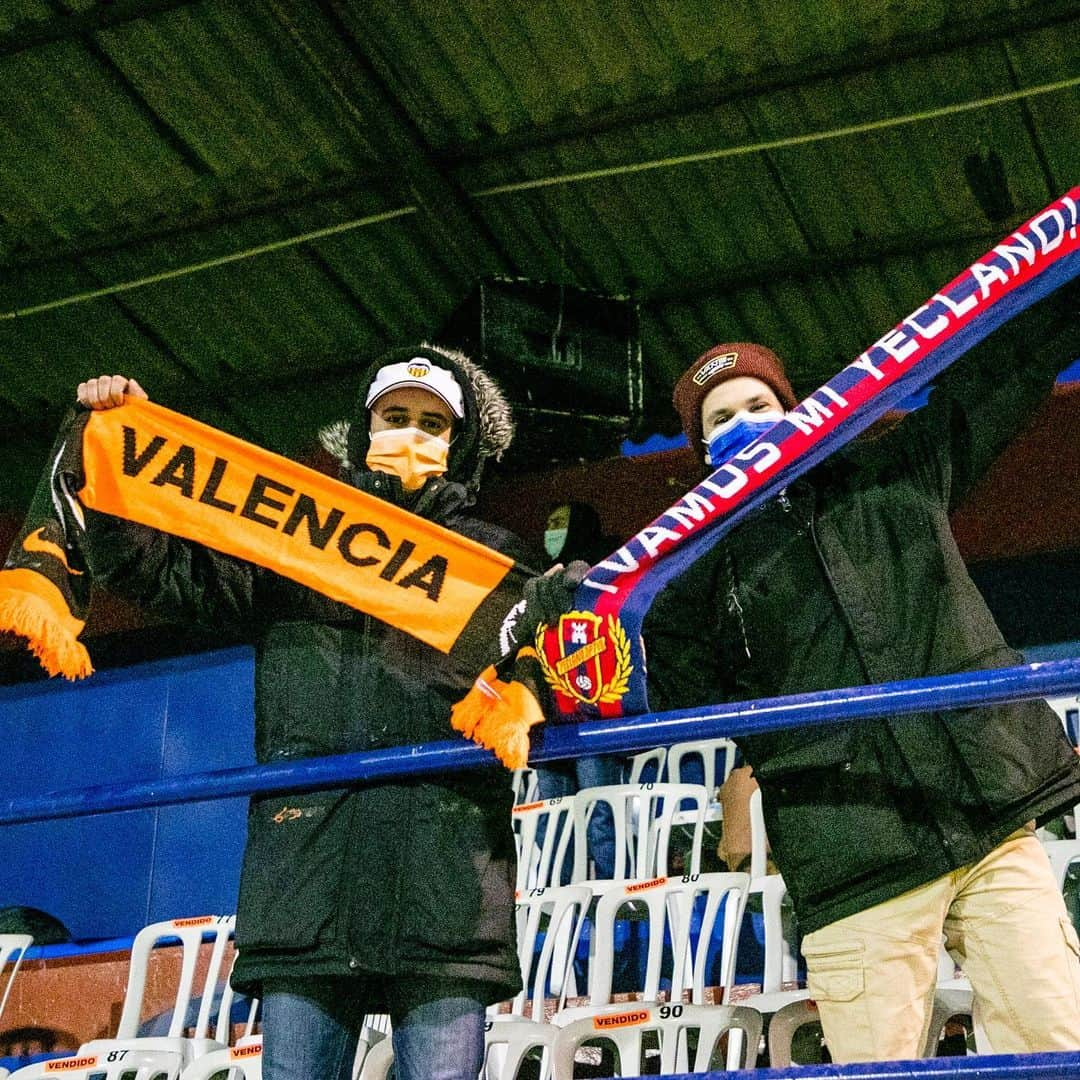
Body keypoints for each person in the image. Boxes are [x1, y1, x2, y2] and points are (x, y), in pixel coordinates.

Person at [73, 346, 547, 1080]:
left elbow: (554, 683)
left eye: (431, 423)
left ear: (460, 447)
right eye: (396, 417)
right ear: (363, 431)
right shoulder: (291, 541)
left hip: (447, 887)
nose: (412, 434)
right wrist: (114, 449)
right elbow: (158, 574)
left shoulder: (496, 561)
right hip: (305, 882)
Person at [642, 305, 1080, 1063]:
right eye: (722, 418)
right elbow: (682, 699)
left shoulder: (894, 468)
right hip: (852, 860)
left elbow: (1001, 377)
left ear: (795, 409)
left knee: (1056, 1046)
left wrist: (1061, 290)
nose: (745, 422)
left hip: (985, 815)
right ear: (702, 448)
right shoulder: (693, 574)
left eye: (759, 405)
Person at [532, 501, 627, 880]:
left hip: (591, 720)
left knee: (599, 816)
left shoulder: (607, 571)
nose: (551, 530)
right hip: (548, 720)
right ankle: (562, 897)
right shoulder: (535, 575)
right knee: (554, 818)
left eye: (560, 523)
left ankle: (616, 898)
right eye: (549, 522)